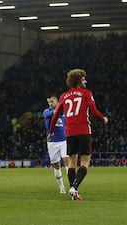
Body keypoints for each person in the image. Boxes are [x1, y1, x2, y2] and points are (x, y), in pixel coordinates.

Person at [48, 69, 108, 201]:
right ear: (79, 81)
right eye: (84, 79)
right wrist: (103, 118)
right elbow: (93, 110)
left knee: (72, 162)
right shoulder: (86, 93)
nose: (85, 81)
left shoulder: (64, 96)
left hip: (69, 133)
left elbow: (55, 116)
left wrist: (51, 132)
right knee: (85, 161)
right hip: (83, 131)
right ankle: (74, 188)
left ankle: (73, 191)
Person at [43, 94, 69, 194]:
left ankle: (72, 185)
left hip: (63, 141)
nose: (50, 104)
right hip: (52, 143)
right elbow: (52, 114)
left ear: (57, 101)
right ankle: (61, 186)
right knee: (57, 166)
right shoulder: (46, 112)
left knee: (67, 161)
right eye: (48, 102)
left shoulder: (64, 113)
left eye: (52, 101)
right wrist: (60, 109)